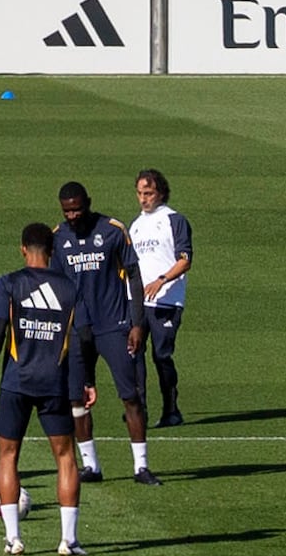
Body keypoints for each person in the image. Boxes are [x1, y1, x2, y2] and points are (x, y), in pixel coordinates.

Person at [0, 224, 94, 556]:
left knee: (8, 456)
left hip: (16, 382)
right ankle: (68, 540)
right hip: (55, 384)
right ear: (54, 250)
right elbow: (84, 337)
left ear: (22, 249)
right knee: (65, 458)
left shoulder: (9, 283)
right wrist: (87, 381)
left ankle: (13, 538)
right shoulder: (70, 287)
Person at [51, 181, 151, 485]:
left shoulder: (111, 230)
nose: (72, 216)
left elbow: (133, 275)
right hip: (77, 330)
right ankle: (91, 466)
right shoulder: (57, 238)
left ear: (88, 203)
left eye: (77, 209)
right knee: (77, 400)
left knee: (130, 395)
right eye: (67, 211)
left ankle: (141, 466)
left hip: (114, 326)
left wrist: (137, 323)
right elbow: (54, 286)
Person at [127, 168, 192, 426]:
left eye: (149, 193)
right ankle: (139, 410)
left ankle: (171, 409)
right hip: (138, 301)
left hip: (166, 299)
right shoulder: (135, 225)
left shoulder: (174, 220)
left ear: (161, 193)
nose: (144, 199)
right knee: (135, 351)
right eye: (140, 193)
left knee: (161, 355)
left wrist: (161, 280)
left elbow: (185, 260)